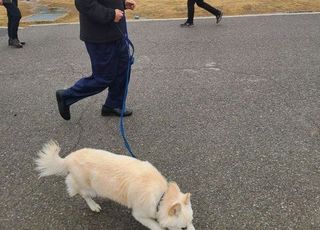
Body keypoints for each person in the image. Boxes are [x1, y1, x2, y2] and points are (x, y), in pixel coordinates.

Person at [56, 0, 137, 120]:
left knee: (124, 69)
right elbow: (83, 3)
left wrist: (122, 3)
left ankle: (113, 104)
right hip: (99, 36)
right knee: (104, 78)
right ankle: (67, 96)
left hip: (118, 32)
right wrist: (110, 14)